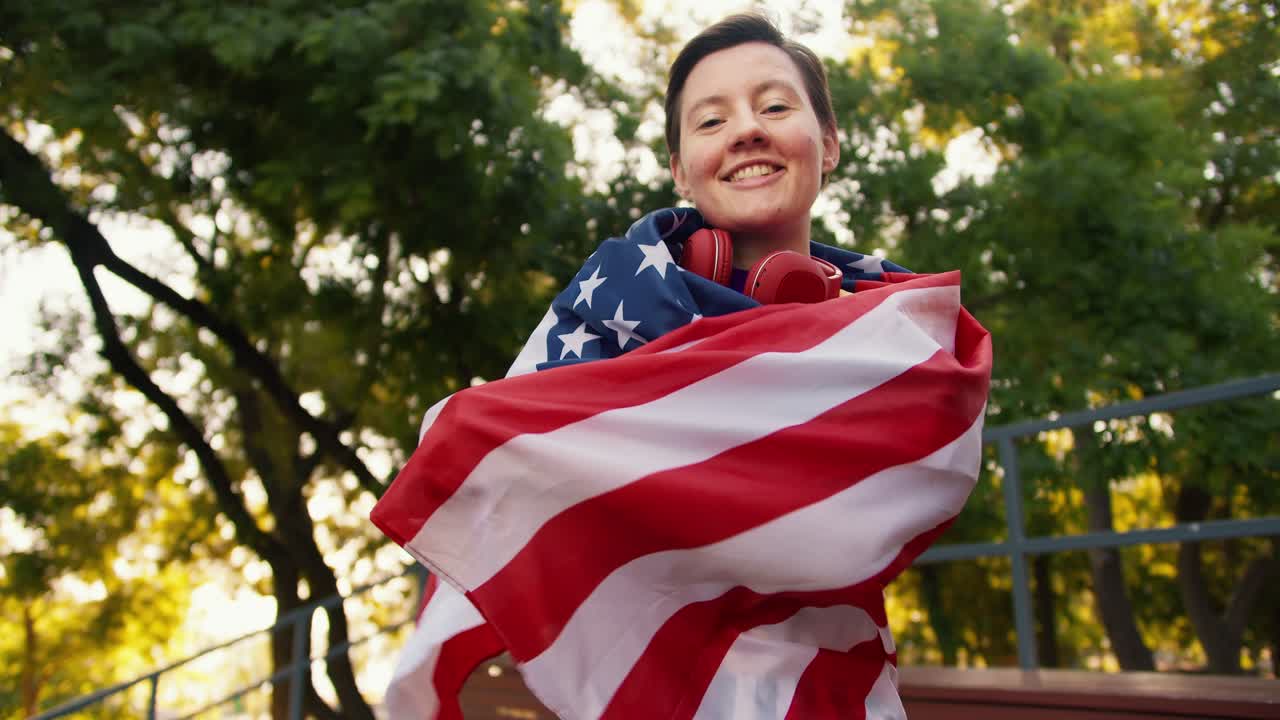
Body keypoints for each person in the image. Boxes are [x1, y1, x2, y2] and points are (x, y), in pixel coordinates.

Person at [374, 13, 990, 720]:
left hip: (829, 697)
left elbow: (886, 512)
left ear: (828, 142)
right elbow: (487, 463)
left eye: (775, 106)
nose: (747, 130)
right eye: (710, 120)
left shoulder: (906, 347)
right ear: (678, 168)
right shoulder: (605, 312)